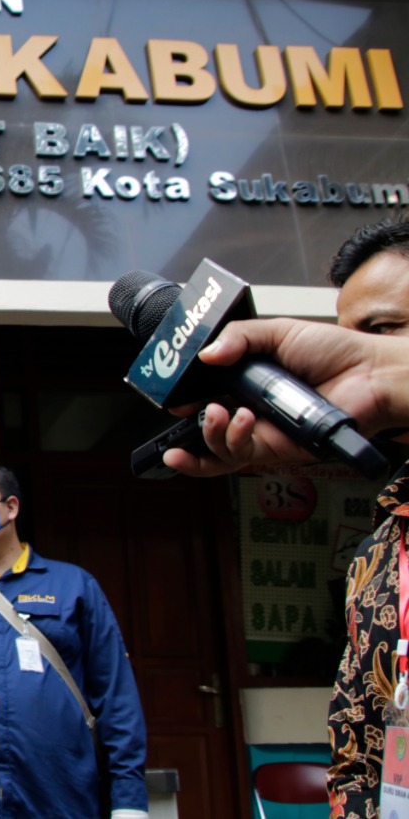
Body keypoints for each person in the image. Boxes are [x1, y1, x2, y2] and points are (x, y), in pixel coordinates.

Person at [162, 219, 409, 818]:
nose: (357, 353)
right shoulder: (381, 550)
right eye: (349, 336)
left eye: (382, 330)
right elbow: (358, 741)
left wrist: (382, 378)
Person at [0, 461, 149, 819]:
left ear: (11, 507)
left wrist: (129, 801)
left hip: (58, 795)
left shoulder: (73, 585)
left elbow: (116, 695)